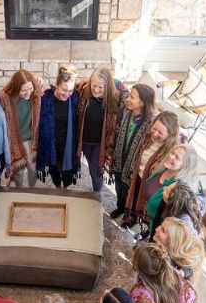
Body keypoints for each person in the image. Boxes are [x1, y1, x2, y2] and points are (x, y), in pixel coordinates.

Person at [124, 111, 181, 226]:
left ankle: (144, 226)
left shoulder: (171, 152)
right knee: (134, 201)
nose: (154, 134)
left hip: (151, 186)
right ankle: (132, 218)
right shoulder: (147, 139)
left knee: (144, 207)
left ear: (170, 134)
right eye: (154, 129)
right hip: (138, 178)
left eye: (160, 132)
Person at [75, 66, 128, 192]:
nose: (96, 90)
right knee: (90, 167)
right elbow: (67, 83)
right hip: (85, 141)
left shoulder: (116, 99)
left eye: (100, 87)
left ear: (108, 87)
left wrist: (119, 83)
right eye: (94, 85)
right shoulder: (83, 91)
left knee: (95, 170)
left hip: (100, 144)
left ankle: (96, 193)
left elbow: (128, 96)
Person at [110, 84, 157, 220]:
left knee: (133, 193)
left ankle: (130, 217)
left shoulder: (151, 123)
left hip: (134, 167)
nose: (128, 99)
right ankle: (120, 207)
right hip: (120, 160)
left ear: (143, 103)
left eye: (133, 97)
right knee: (119, 186)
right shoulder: (126, 109)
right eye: (130, 95)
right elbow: (120, 88)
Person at [0, 69, 44, 188]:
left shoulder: (36, 93)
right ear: (16, 88)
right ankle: (19, 190)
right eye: (24, 90)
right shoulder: (5, 98)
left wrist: (37, 78)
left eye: (30, 88)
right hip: (14, 141)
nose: (28, 93)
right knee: (18, 170)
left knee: (33, 168)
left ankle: (31, 189)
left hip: (31, 139)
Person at [36, 65, 80, 188]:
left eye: (70, 90)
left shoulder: (76, 97)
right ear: (56, 84)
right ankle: (57, 186)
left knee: (68, 170)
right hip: (51, 142)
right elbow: (25, 86)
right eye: (64, 90)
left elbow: (93, 83)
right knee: (54, 167)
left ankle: (65, 187)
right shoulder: (45, 97)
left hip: (69, 143)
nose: (67, 94)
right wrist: (35, 78)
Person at [142, 144, 200, 232]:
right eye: (172, 153)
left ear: (185, 166)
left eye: (177, 158)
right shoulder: (163, 169)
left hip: (160, 229)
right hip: (151, 221)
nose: (171, 156)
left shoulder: (176, 190)